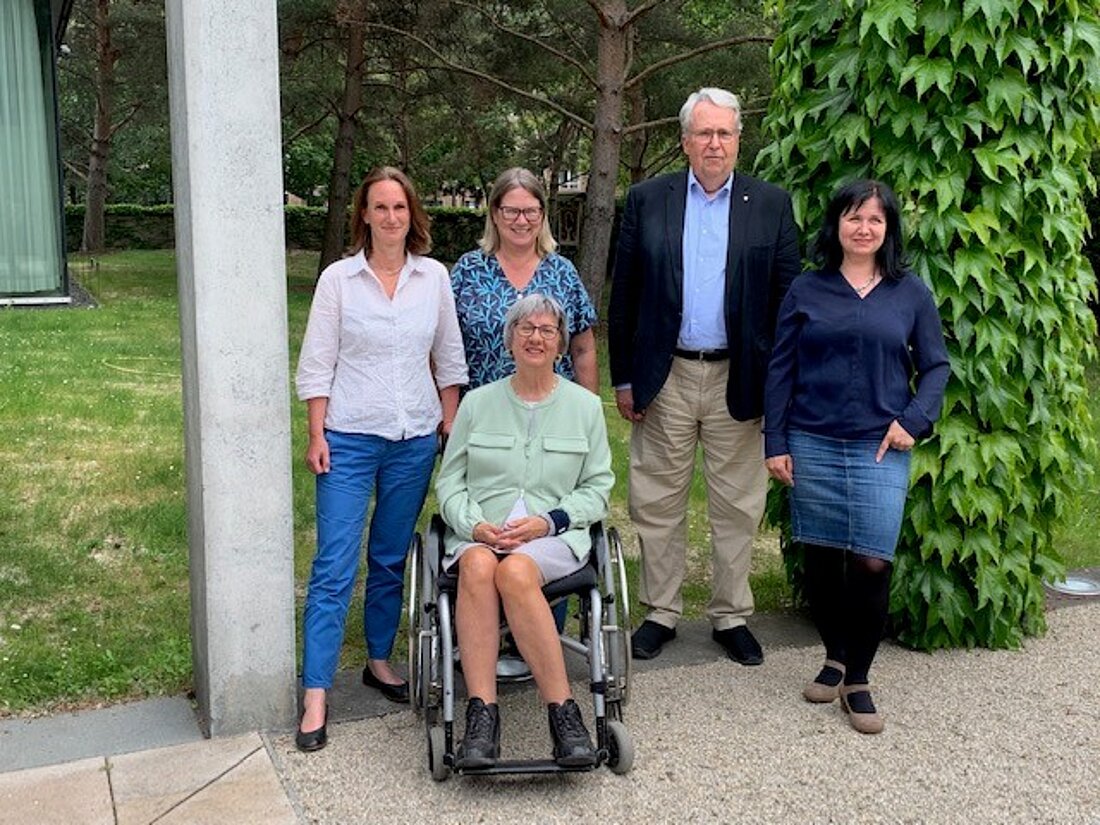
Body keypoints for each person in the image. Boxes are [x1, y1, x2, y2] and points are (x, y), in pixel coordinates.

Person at [607, 87, 801, 665]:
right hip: (664, 377)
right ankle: (661, 612)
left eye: (725, 133)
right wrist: (625, 381)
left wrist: (778, 385)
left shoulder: (770, 203)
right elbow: (626, 297)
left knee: (738, 505)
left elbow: (787, 302)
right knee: (656, 500)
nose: (714, 143)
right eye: (704, 133)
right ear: (685, 141)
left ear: (739, 140)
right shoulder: (648, 199)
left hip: (737, 379)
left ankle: (730, 615)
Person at [763, 179, 949, 734]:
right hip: (813, 439)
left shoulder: (909, 292)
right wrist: (776, 440)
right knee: (820, 557)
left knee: (872, 560)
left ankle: (859, 679)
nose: (863, 228)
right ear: (836, 225)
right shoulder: (807, 288)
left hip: (878, 447)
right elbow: (781, 368)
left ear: (887, 229)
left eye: (874, 219)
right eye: (853, 217)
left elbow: (936, 366)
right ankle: (834, 657)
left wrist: (913, 421)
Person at [294, 166, 468, 752]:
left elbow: (449, 358)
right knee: (334, 565)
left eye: (399, 207)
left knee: (391, 557)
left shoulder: (433, 278)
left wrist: (448, 424)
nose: (390, 217)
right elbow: (318, 364)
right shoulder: (339, 281)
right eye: (380, 207)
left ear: (411, 215)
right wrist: (316, 434)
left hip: (414, 439)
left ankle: (377, 659)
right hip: (347, 437)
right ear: (363, 215)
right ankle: (316, 691)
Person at [435, 294, 614, 768]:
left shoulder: (585, 408)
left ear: (560, 344)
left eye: (547, 330)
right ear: (510, 339)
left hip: (554, 539)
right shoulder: (477, 404)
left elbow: (598, 489)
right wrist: (474, 525)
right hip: (481, 533)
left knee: (515, 572)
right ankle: (481, 715)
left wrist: (548, 521)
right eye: (526, 329)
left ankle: (563, 714)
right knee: (477, 564)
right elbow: (449, 482)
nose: (536, 337)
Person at [451, 167, 599, 678]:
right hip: (484, 415)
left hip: (551, 411)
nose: (521, 219)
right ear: (494, 213)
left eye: (531, 211)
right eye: (510, 210)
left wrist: (586, 412)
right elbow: (445, 347)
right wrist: (452, 413)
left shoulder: (560, 271)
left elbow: (581, 343)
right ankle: (487, 648)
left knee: (539, 511)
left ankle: (540, 647)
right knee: (489, 527)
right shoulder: (469, 271)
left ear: (542, 216)